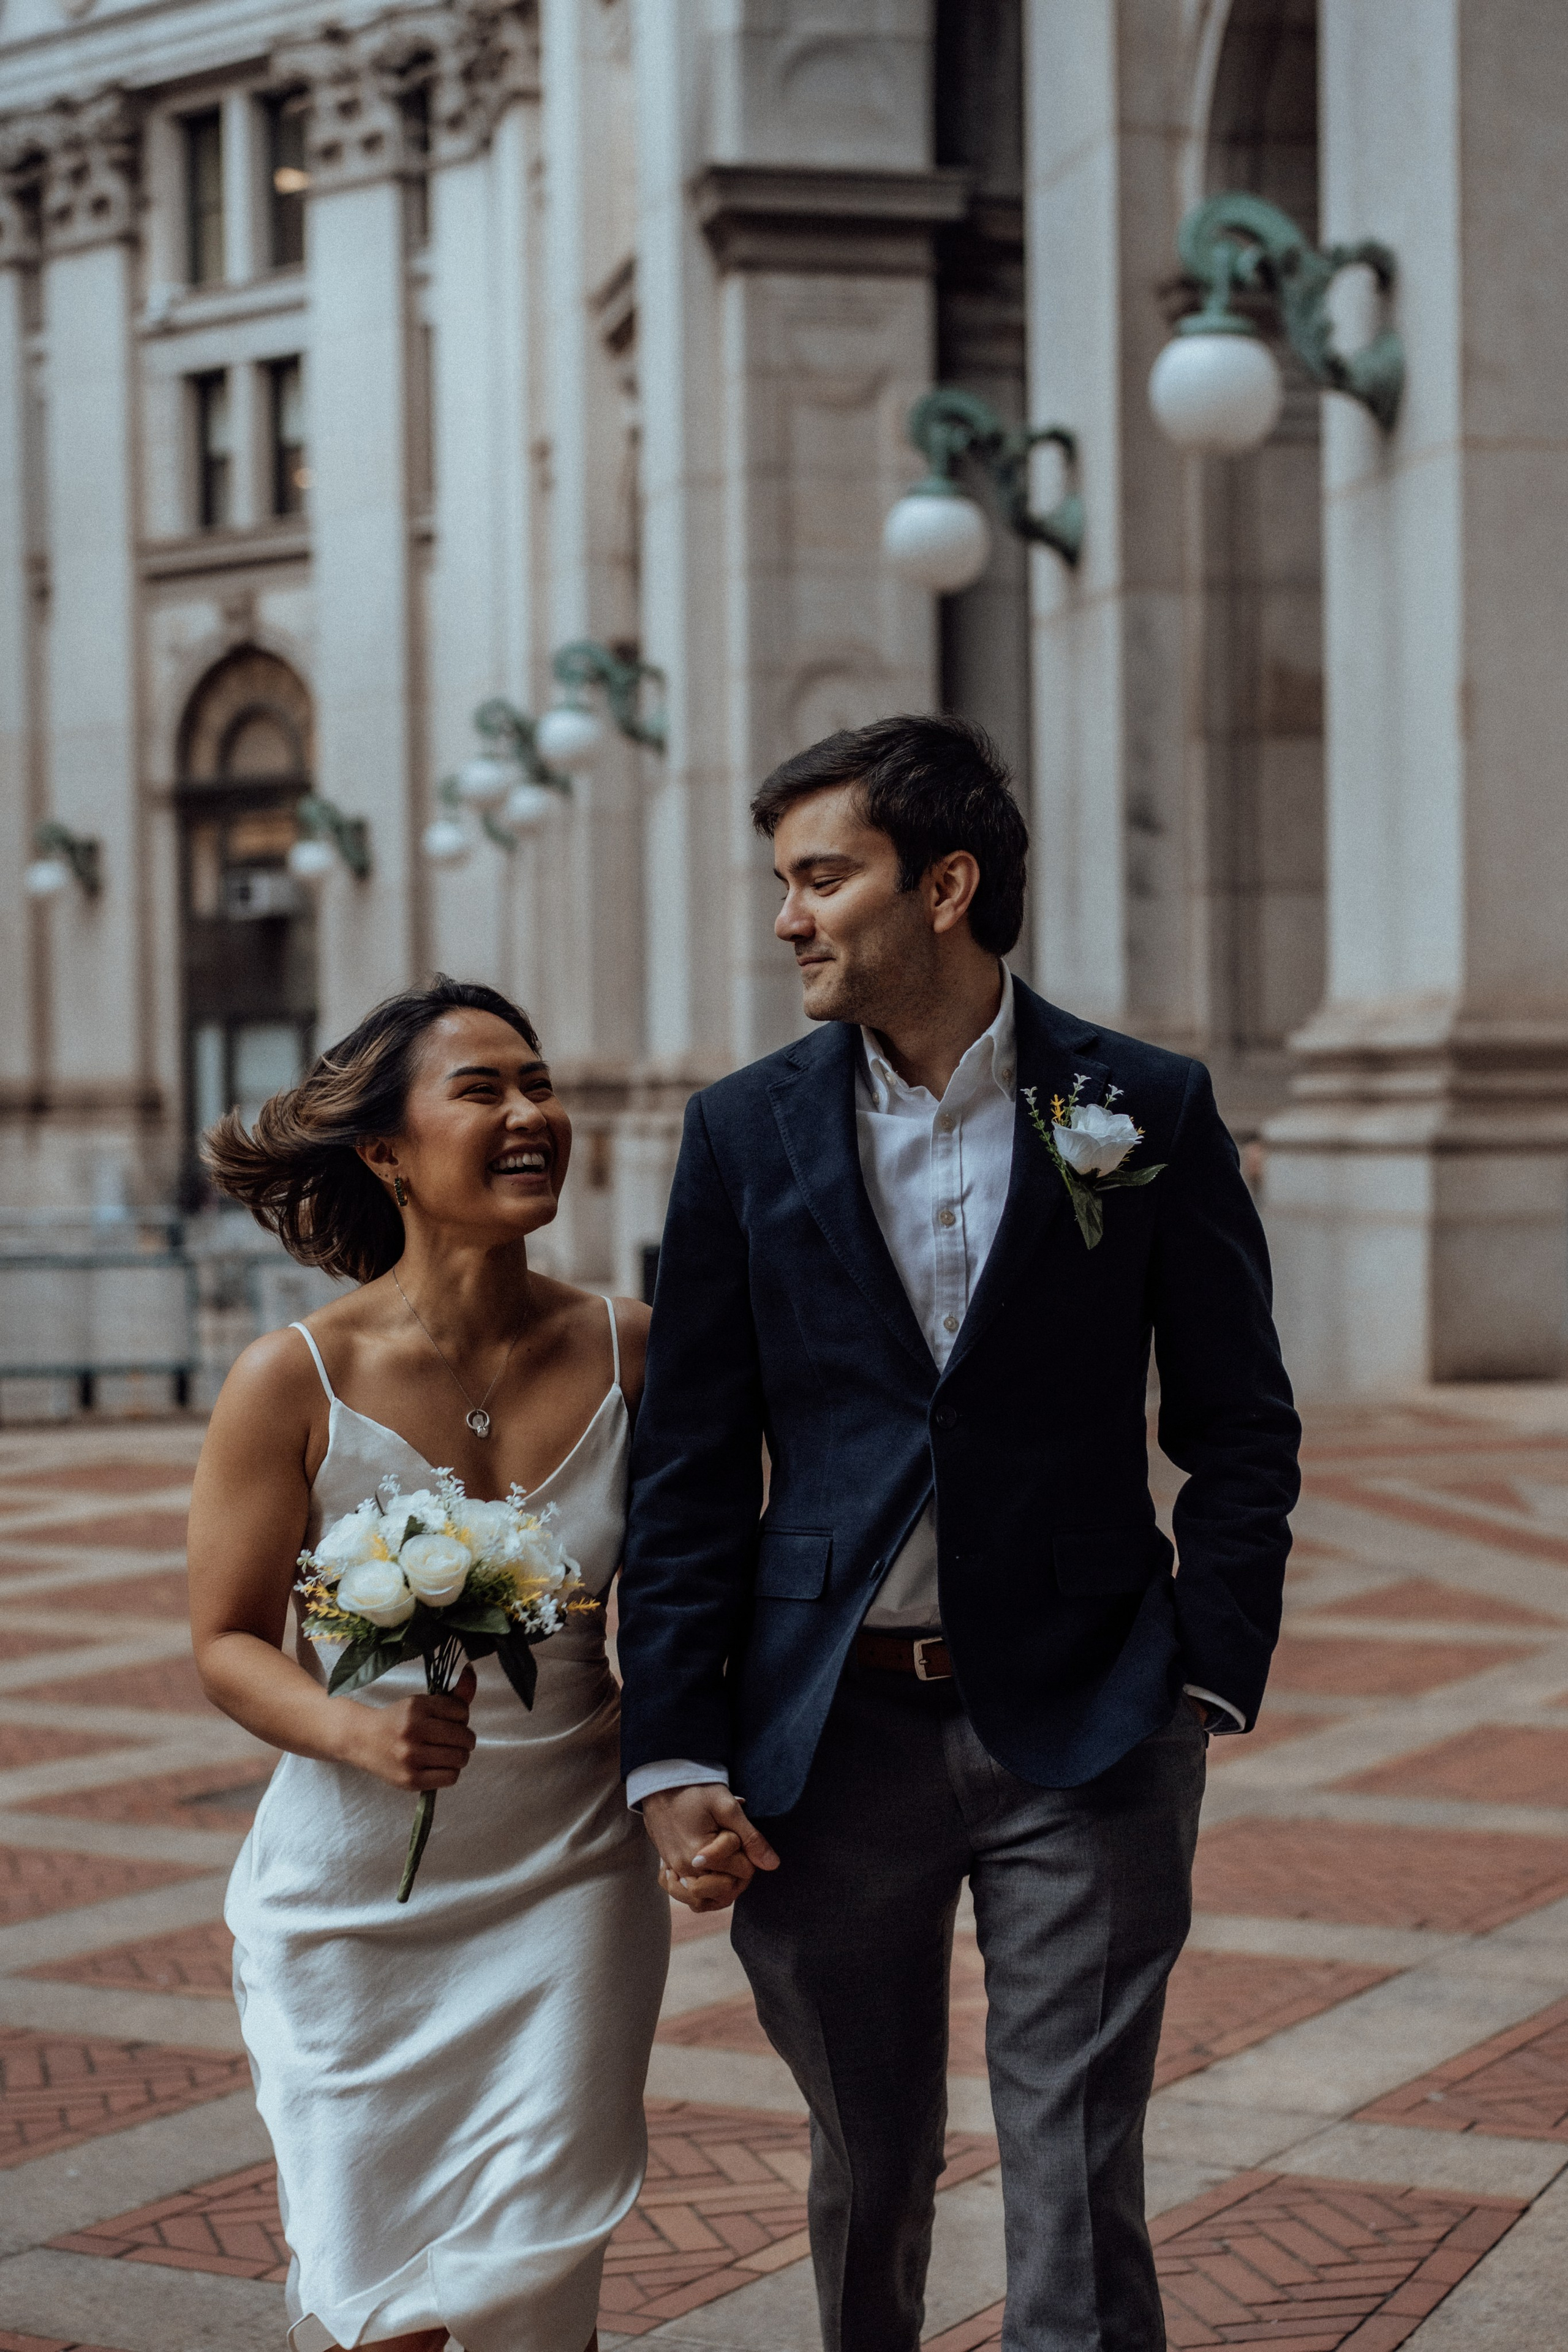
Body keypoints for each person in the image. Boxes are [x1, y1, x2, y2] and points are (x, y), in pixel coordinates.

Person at [617, 716, 1301, 2352]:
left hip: (1090, 1720)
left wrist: (1208, 1668)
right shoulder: (738, 1133)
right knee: (871, 2158)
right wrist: (670, 1744)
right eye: (782, 882)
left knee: (1074, 2160)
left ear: (946, 884)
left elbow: (1239, 1417)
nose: (788, 918)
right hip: (825, 1730)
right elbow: (693, 1465)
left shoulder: (1143, 1105)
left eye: (820, 877)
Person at [189, 975, 669, 2352]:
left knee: (532, 2285)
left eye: (540, 1082)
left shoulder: (635, 1348)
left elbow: (706, 1591)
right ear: (386, 1152)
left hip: (568, 1877)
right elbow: (225, 1642)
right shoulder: (293, 1380)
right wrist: (355, 1735)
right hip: (353, 1906)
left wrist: (695, 1770)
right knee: (380, 2305)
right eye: (484, 1090)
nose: (532, 1115)